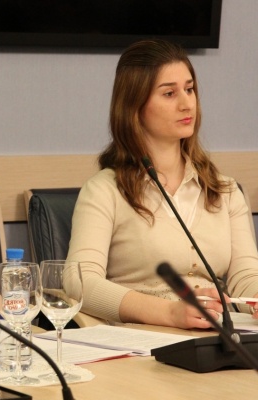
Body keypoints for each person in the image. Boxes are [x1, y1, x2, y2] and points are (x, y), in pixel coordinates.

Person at [67, 39, 258, 329]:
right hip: (143, 341)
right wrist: (169, 313)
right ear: (134, 106)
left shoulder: (224, 190)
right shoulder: (104, 190)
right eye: (169, 93)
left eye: (189, 89)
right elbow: (79, 282)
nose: (186, 103)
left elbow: (246, 274)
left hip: (217, 334)